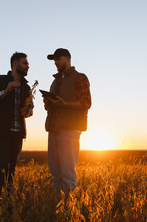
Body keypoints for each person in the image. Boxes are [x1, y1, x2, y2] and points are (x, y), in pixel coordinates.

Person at [0, 52, 34, 204]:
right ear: (15, 64)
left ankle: (7, 201)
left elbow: (30, 108)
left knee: (11, 168)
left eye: (27, 63)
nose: (28, 66)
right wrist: (7, 90)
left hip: (17, 133)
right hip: (0, 132)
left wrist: (28, 112)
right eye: (24, 63)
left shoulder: (26, 87)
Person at [43, 48, 92, 201]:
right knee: (55, 172)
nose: (56, 62)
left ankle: (69, 211)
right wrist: (48, 103)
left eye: (58, 59)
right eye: (54, 60)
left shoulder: (80, 78)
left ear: (68, 59)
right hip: (54, 128)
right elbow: (52, 107)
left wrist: (65, 104)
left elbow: (86, 102)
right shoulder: (55, 81)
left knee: (67, 173)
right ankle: (60, 207)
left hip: (70, 129)